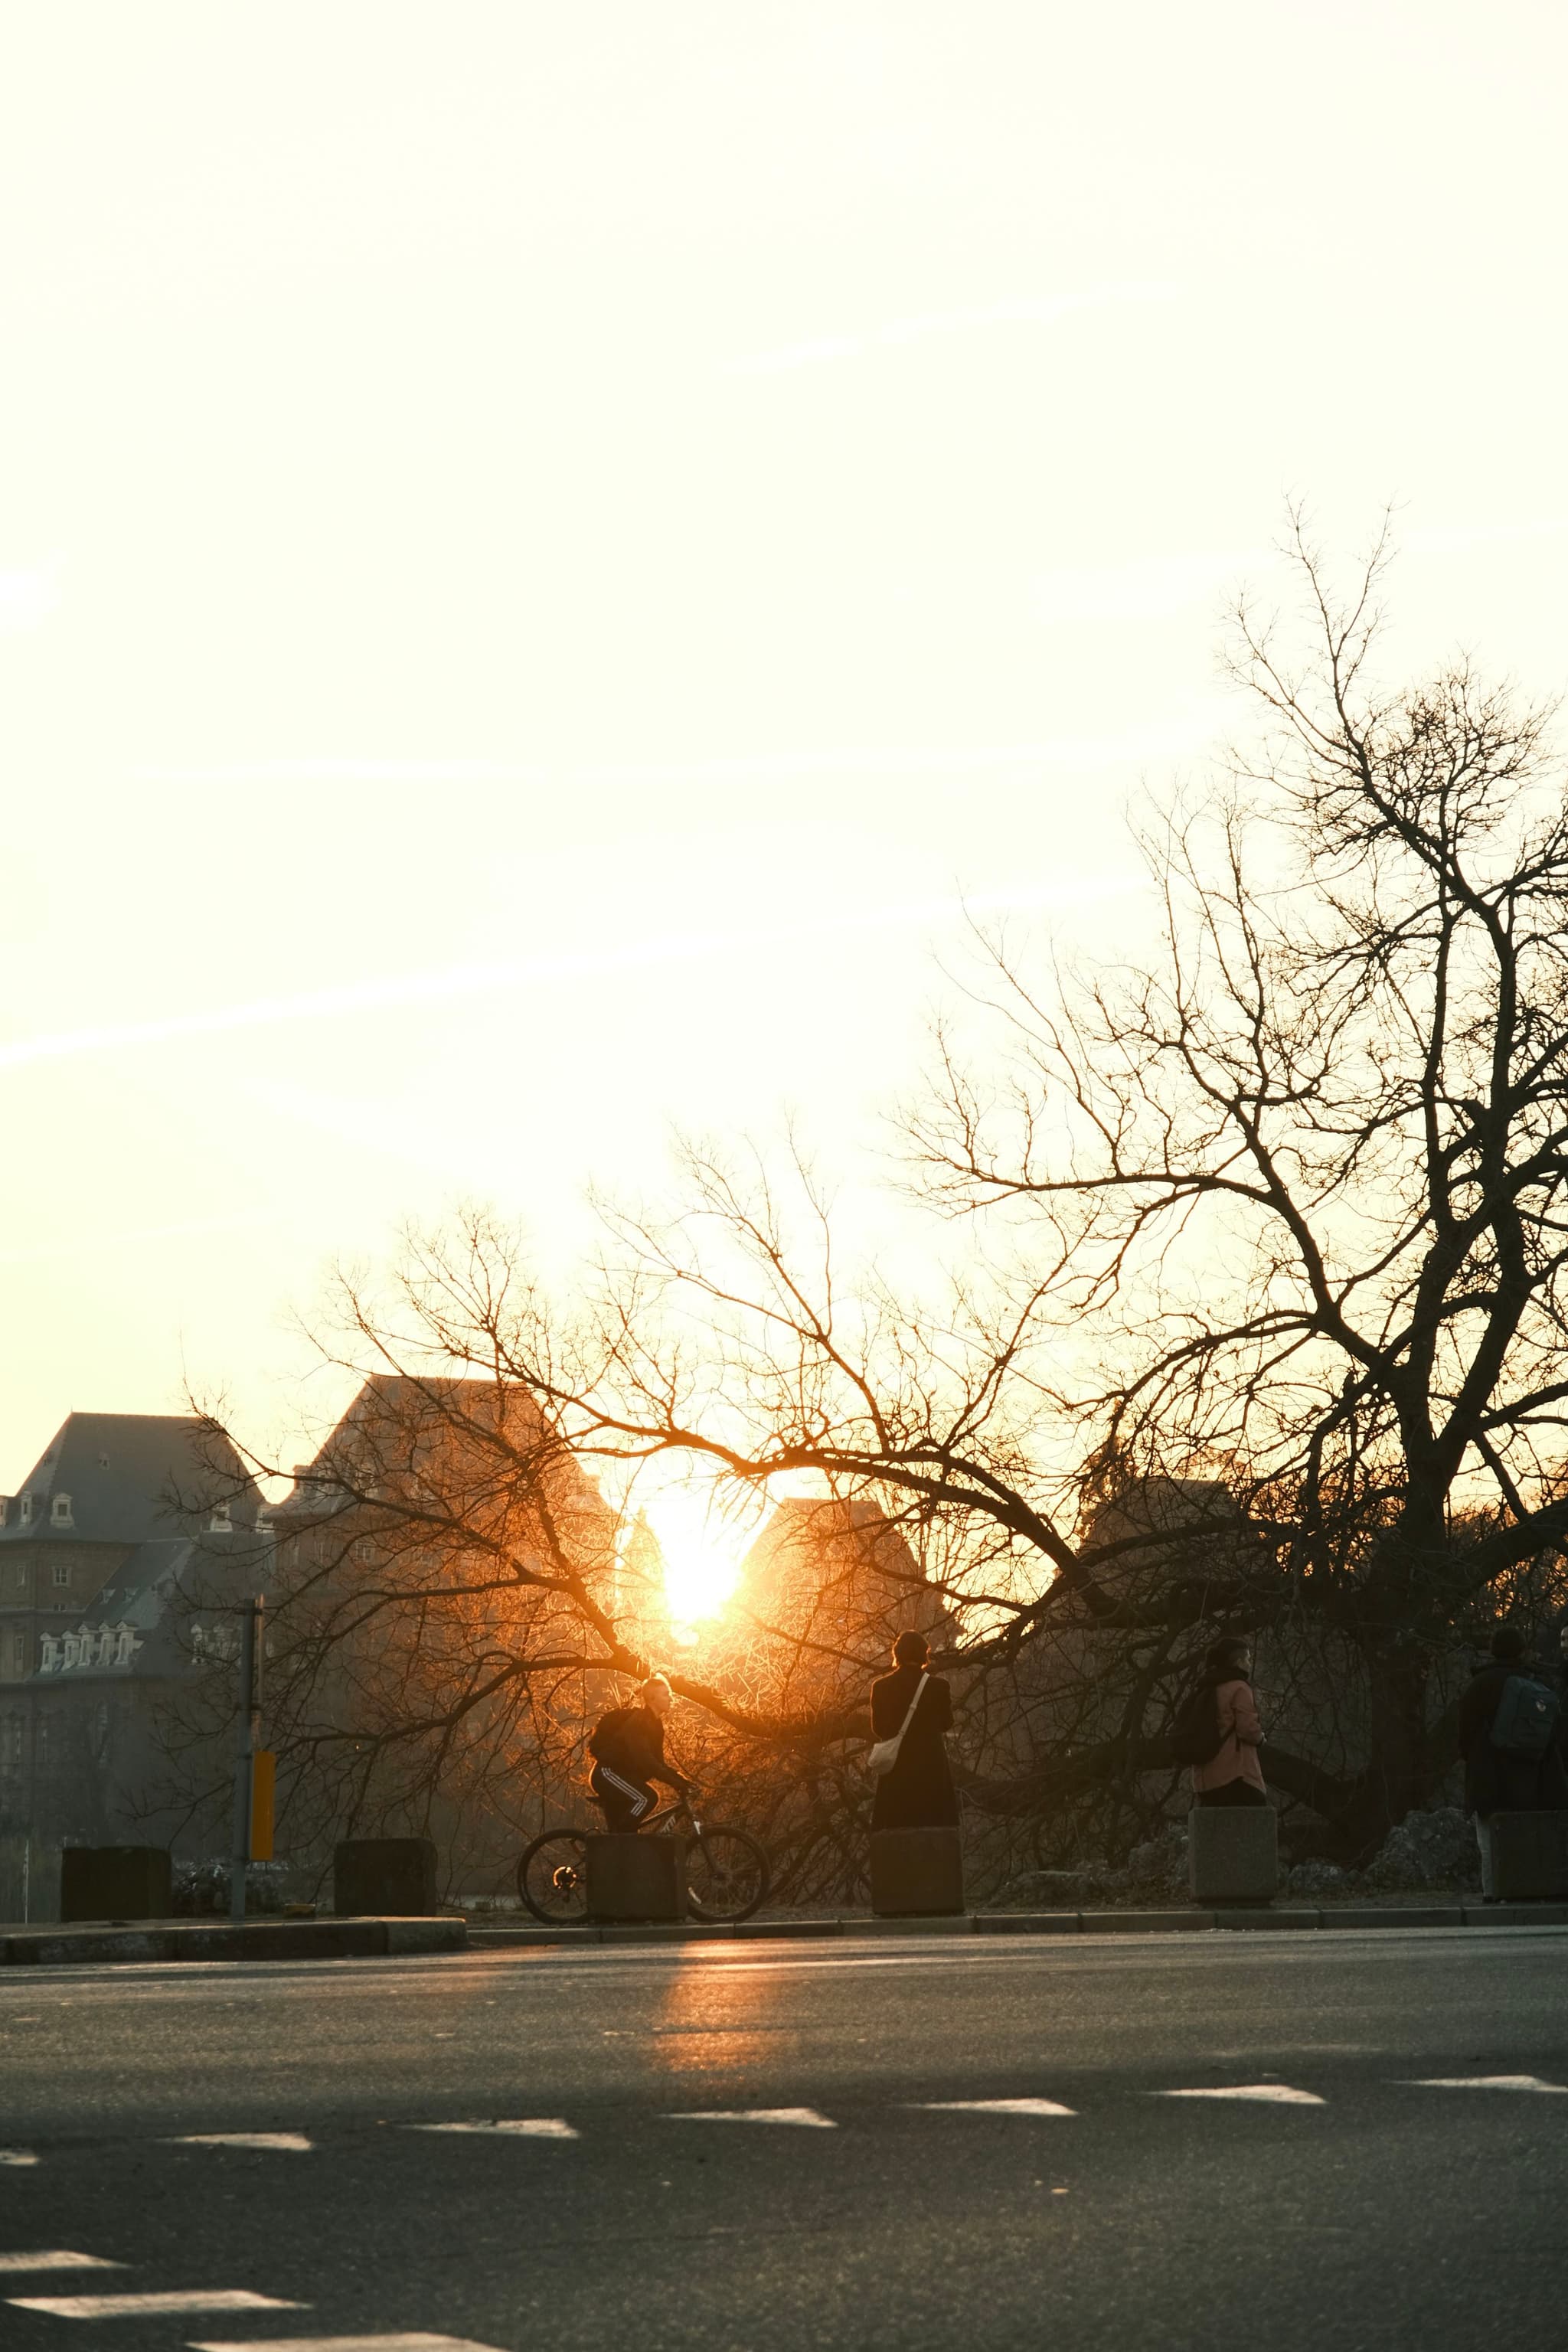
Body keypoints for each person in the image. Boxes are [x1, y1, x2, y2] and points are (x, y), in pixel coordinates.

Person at [1459, 1627, 1568, 1899]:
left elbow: (1463, 1733)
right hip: (1535, 1778)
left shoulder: (1479, 1685)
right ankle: (1535, 1892)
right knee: (1533, 1840)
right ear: (1522, 1650)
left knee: (1488, 1840)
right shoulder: (1539, 1682)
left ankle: (1492, 1895)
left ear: (1492, 1649)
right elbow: (1555, 1730)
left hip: (1490, 1776)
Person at [869, 1629, 957, 1832]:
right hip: (931, 1769)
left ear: (897, 1654)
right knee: (935, 1830)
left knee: (895, 1830)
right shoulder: (939, 1686)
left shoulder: (880, 1687)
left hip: (896, 1770)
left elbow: (878, 1728)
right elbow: (946, 1723)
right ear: (923, 1654)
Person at [588, 1673, 695, 1832]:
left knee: (634, 1831)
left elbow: (659, 1763)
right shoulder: (638, 1722)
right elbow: (645, 1759)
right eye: (666, 1694)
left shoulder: (656, 1726)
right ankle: (618, 1839)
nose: (671, 1699)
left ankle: (623, 1843)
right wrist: (674, 1782)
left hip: (622, 1776)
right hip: (607, 1774)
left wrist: (681, 1780)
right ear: (652, 1698)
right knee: (647, 1798)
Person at [1189, 1636, 1269, 1808]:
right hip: (1235, 1776)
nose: (1249, 1664)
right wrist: (1261, 1738)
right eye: (1247, 1659)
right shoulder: (1239, 1688)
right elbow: (1248, 1729)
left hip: (1205, 1780)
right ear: (1238, 1662)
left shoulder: (1204, 1687)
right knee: (1258, 1823)